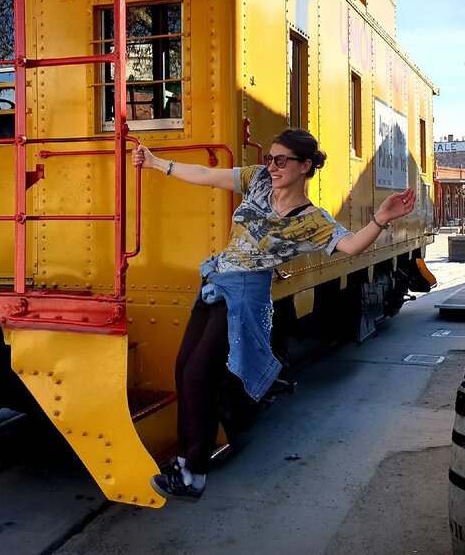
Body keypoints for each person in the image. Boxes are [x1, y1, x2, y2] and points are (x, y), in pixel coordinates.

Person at [131, 128, 417, 501]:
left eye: (281, 160)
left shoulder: (311, 220)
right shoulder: (259, 180)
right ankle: (186, 462)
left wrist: (380, 218)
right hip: (217, 280)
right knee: (184, 370)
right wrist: (157, 163)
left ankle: (193, 473)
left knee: (200, 374)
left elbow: (349, 246)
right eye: (270, 158)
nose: (272, 165)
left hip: (246, 295)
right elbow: (206, 176)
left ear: (306, 166)